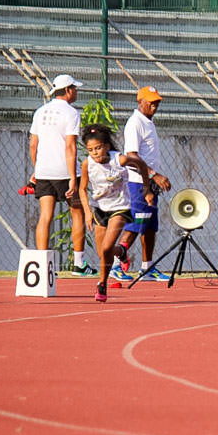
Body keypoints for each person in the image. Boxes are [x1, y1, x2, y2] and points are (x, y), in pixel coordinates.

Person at [78, 124, 153, 302]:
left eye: (98, 148)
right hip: (99, 208)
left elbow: (141, 165)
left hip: (120, 207)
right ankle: (121, 251)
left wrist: (146, 189)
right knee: (103, 253)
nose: (95, 153)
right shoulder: (87, 163)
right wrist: (88, 212)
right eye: (90, 150)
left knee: (105, 248)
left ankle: (102, 284)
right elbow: (82, 189)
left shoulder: (119, 160)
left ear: (106, 146)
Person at [29, 74, 90, 274]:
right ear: (68, 90)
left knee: (45, 216)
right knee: (77, 213)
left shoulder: (40, 111)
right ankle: (79, 264)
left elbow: (33, 145)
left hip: (43, 171)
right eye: (75, 88)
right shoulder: (71, 113)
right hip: (64, 171)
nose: (77, 92)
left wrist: (36, 169)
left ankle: (42, 267)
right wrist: (73, 177)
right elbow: (70, 146)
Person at [111, 85, 173, 282]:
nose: (154, 106)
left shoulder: (148, 122)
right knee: (136, 222)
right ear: (140, 102)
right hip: (138, 183)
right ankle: (114, 265)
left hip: (149, 184)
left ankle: (147, 267)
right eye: (151, 102)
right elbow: (131, 155)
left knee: (149, 226)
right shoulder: (135, 123)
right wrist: (154, 175)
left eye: (157, 102)